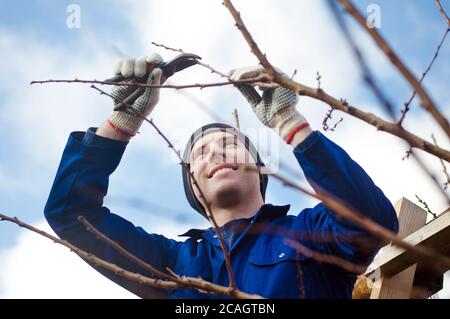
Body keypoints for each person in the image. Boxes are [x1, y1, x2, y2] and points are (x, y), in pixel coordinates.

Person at [44, 53, 399, 299]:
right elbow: (70, 216)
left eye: (229, 144)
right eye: (199, 153)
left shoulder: (311, 232)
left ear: (258, 166)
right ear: (193, 186)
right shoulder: (173, 264)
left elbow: (372, 222)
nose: (214, 152)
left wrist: (291, 124)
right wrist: (119, 124)